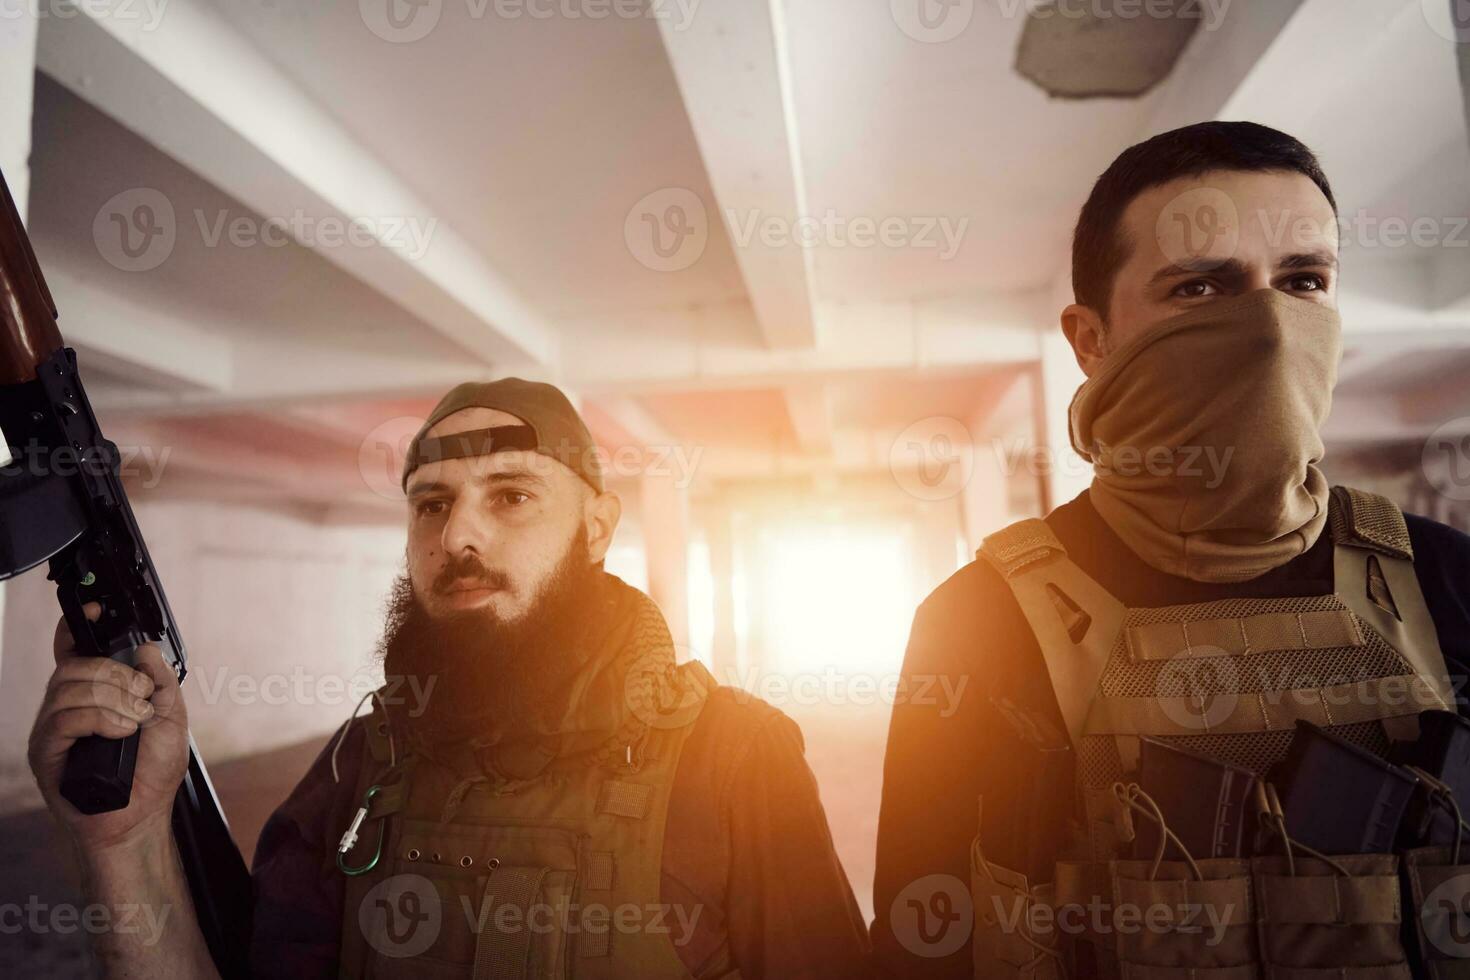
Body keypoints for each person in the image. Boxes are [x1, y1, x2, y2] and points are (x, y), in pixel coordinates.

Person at [870, 121, 1470, 978]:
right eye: (1200, 290)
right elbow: (917, 945)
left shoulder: (1448, 583)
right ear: (1091, 340)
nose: (1268, 325)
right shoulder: (978, 622)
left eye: (1305, 280)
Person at [29, 378, 871, 979]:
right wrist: (122, 844)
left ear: (599, 527)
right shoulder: (363, 764)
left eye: (510, 496)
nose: (457, 536)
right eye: (431, 503)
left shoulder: (735, 758)